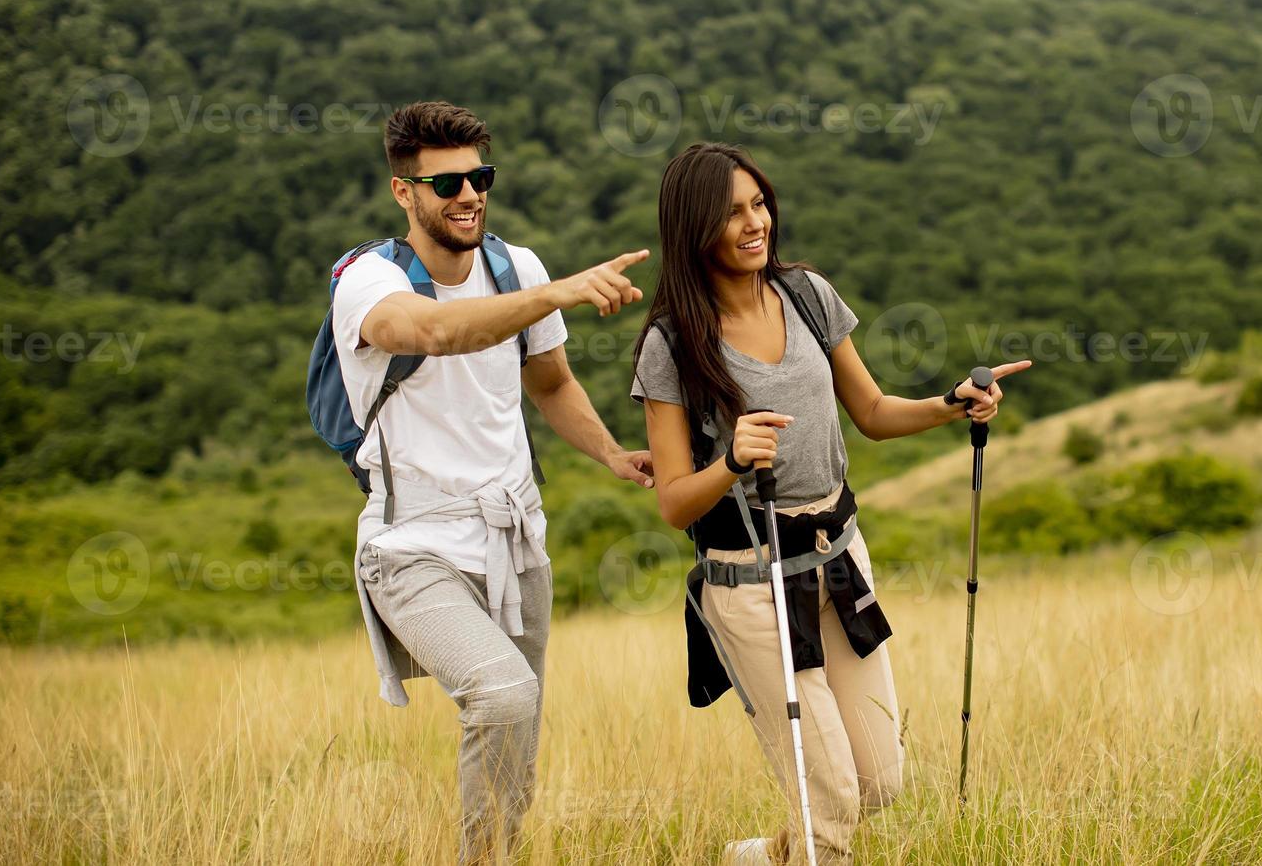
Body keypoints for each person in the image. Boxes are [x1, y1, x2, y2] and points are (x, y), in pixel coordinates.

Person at [629, 142, 1029, 865]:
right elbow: (675, 504)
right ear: (692, 230)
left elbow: (872, 411)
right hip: (751, 584)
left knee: (877, 784)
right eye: (731, 214)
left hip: (838, 561)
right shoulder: (671, 345)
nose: (755, 224)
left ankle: (759, 857)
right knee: (830, 802)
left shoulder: (807, 294)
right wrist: (729, 461)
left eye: (759, 203)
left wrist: (950, 405)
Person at [333, 101, 654, 864]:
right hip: (411, 540)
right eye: (445, 184)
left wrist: (610, 453)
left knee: (520, 739)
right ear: (402, 191)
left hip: (513, 534)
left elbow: (548, 382)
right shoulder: (367, 278)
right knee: (502, 696)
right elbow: (433, 333)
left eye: (480, 176)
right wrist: (557, 294)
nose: (469, 195)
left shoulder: (520, 267)